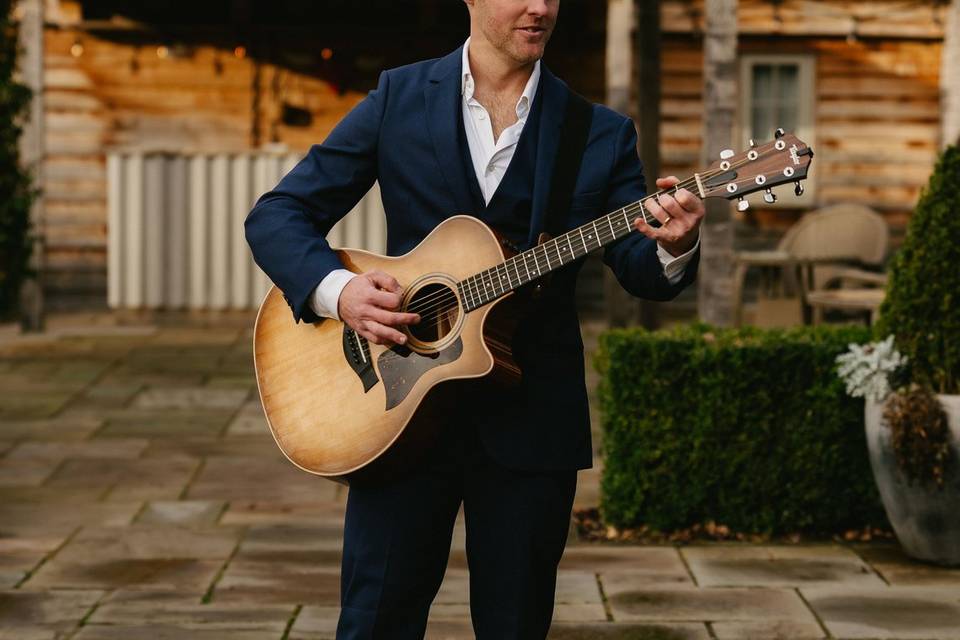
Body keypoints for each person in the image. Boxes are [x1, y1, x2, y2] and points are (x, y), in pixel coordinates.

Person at [245, 1, 704, 637]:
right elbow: (278, 214)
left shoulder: (597, 131)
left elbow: (641, 268)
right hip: (392, 411)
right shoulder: (399, 96)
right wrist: (340, 292)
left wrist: (673, 245)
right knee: (374, 624)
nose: (540, 7)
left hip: (530, 419)